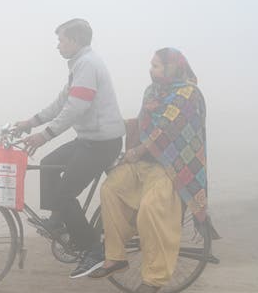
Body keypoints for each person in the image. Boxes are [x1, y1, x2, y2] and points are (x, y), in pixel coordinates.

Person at [88, 48, 212, 293]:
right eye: (151, 65)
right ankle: (116, 256)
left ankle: (153, 280)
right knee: (111, 188)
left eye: (156, 66)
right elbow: (144, 122)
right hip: (142, 161)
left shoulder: (188, 94)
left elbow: (166, 127)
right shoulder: (152, 91)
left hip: (170, 167)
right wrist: (113, 125)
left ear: (172, 67)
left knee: (149, 210)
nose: (150, 70)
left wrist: (139, 149)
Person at [14, 18, 125, 278]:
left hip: (101, 144)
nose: (58, 46)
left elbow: (76, 108)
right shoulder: (79, 64)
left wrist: (45, 135)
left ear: (75, 40)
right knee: (48, 164)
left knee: (64, 195)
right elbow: (62, 101)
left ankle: (94, 251)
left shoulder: (88, 64)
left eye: (61, 40)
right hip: (88, 139)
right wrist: (31, 122)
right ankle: (57, 221)